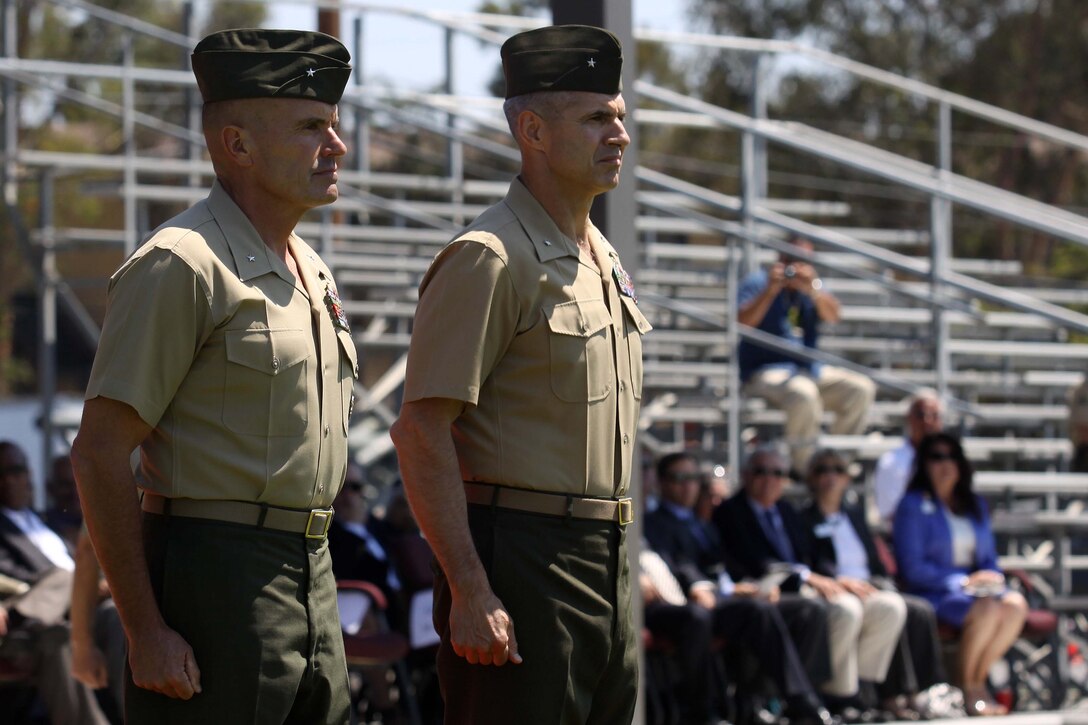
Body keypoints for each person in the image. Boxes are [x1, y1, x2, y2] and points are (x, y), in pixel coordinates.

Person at [69, 29, 358, 724]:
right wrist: (144, 630)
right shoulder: (183, 262)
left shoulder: (312, 269)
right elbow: (101, 452)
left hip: (314, 568)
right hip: (215, 574)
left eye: (335, 126)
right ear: (237, 145)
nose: (338, 146)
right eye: (312, 127)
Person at [389, 24, 649, 724]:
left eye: (620, 116)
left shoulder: (602, 258)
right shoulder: (491, 256)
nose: (618, 134)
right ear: (532, 130)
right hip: (521, 559)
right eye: (596, 117)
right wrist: (470, 587)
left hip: (606, 554)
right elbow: (420, 431)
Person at [712, 446, 906, 722]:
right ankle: (833, 696)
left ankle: (860, 692)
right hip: (769, 588)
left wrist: (835, 579)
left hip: (807, 584)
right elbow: (755, 560)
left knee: (888, 607)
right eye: (761, 471)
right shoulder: (732, 512)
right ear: (745, 475)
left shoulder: (786, 510)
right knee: (843, 610)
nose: (770, 478)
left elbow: (812, 557)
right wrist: (806, 577)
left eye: (778, 473)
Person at [646, 452, 836, 725]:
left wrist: (745, 586)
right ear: (661, 482)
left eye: (693, 478)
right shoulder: (654, 522)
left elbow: (722, 563)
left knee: (795, 609)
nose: (688, 486)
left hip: (720, 596)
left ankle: (781, 699)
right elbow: (677, 564)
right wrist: (701, 586)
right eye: (679, 478)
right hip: (683, 601)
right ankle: (708, 711)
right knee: (724, 615)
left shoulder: (701, 523)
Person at [801, 448, 944, 720]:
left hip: (869, 585)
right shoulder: (802, 519)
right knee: (877, 608)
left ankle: (919, 693)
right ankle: (863, 695)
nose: (831, 476)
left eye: (838, 469)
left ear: (847, 479)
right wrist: (840, 582)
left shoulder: (855, 517)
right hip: (834, 588)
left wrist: (879, 584)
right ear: (811, 478)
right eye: (823, 469)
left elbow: (875, 562)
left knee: (914, 609)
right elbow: (808, 564)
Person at [893, 433, 1028, 717]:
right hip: (935, 591)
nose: (945, 464)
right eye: (937, 457)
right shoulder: (912, 505)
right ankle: (967, 687)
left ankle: (978, 680)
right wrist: (963, 583)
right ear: (924, 464)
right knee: (987, 609)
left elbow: (989, 557)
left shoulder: (975, 504)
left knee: (1015, 605)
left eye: (952, 456)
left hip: (979, 591)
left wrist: (990, 578)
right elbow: (912, 567)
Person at [737, 235, 875, 473]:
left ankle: (836, 466)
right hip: (766, 371)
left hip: (810, 369)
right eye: (791, 259)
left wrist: (813, 290)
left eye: (803, 261)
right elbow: (741, 323)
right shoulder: (759, 282)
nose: (796, 267)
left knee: (861, 388)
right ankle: (809, 471)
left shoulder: (812, 286)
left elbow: (834, 316)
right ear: (780, 257)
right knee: (805, 394)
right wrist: (769, 292)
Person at [0, 440, 110, 725]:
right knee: (67, 579)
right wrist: (79, 583)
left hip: (70, 606)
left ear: (29, 475)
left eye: (16, 470)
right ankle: (30, 622)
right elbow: (12, 575)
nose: (9, 480)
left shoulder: (45, 520)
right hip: (26, 603)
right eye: (1, 473)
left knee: (115, 618)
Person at [873, 389, 943, 524]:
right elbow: (890, 513)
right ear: (909, 418)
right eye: (921, 414)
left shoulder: (951, 461)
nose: (927, 421)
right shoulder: (890, 462)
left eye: (934, 415)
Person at [45, 454, 83, 548]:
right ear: (50, 488)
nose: (75, 492)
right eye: (66, 485)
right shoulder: (40, 526)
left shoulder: (105, 524)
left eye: (80, 484)